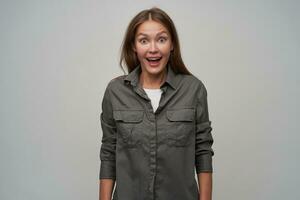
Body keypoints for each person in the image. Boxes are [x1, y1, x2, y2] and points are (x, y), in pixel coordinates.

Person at [99, 7, 214, 200]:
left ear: (172, 45)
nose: (153, 49)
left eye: (161, 39)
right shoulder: (115, 91)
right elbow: (108, 152)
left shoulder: (194, 89)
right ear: (134, 46)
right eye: (144, 40)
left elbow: (203, 151)